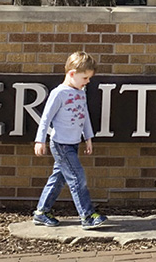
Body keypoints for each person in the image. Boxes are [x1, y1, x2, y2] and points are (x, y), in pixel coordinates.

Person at [32, 51, 107, 230]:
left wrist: (88, 137)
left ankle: (41, 212)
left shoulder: (81, 92)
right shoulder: (59, 93)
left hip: (73, 143)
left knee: (58, 179)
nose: (87, 81)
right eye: (85, 77)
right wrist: (39, 140)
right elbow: (46, 118)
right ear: (72, 74)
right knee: (77, 178)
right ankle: (88, 216)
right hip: (61, 144)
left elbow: (84, 116)